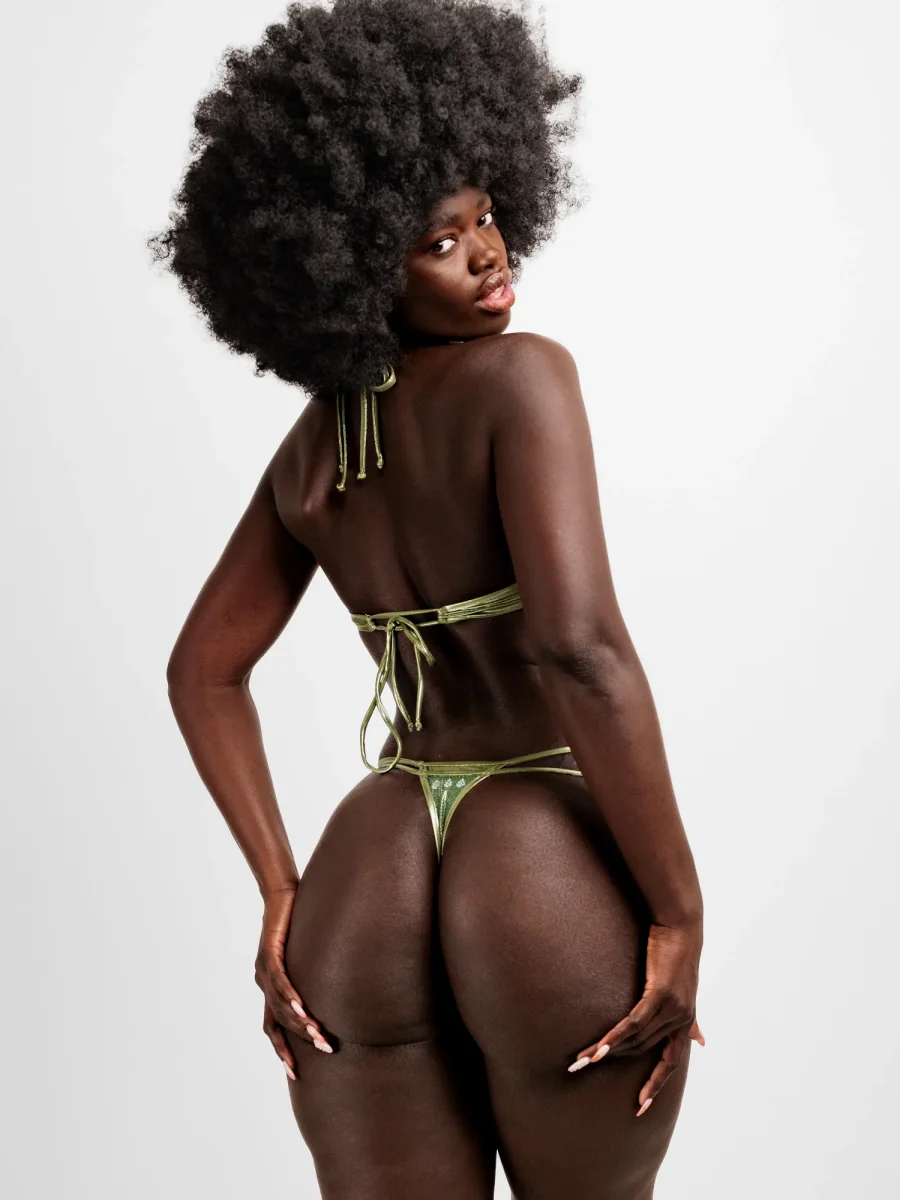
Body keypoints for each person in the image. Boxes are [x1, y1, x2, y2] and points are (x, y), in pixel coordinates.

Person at [152, 1, 705, 1195]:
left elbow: (203, 670)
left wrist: (283, 889)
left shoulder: (310, 454)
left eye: (486, 217)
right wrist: (679, 912)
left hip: (370, 868)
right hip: (535, 855)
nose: (487, 253)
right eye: (439, 241)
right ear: (351, 266)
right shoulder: (523, 380)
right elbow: (581, 651)